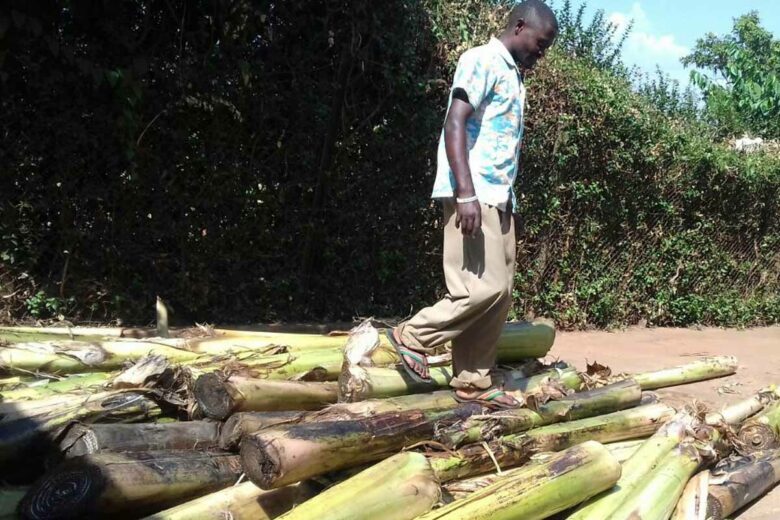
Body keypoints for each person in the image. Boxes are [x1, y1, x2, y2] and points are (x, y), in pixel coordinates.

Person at [388, 0, 558, 409]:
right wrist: (464, 192)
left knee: (500, 296)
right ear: (520, 27)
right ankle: (413, 336)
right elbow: (455, 121)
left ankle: (473, 382)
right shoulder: (481, 59)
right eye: (541, 43)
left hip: (499, 198)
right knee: (483, 287)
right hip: (473, 193)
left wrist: (507, 204)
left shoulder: (514, 76)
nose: (542, 52)